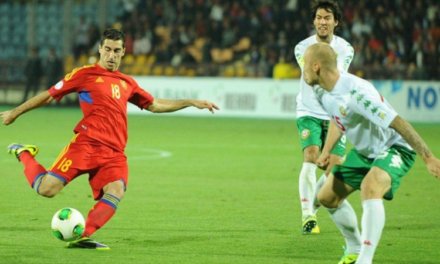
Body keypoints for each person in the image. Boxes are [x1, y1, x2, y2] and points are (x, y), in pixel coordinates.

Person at [0, 28, 219, 250]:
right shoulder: (84, 74)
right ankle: (24, 153)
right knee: (46, 189)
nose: (111, 55)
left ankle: (82, 236)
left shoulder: (127, 83)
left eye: (116, 50)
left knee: (116, 190)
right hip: (86, 145)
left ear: (123, 52)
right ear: (100, 49)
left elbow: (155, 104)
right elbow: (48, 95)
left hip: (114, 153)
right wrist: (14, 112)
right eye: (107, 49)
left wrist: (190, 102)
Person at [303, 42, 440, 264]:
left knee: (370, 187)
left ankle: (364, 260)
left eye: (305, 65)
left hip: (395, 148)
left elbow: (398, 122)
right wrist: (326, 151)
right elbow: (339, 119)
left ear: (316, 66)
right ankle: (355, 248)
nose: (303, 71)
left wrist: (428, 157)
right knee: (326, 197)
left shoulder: (357, 93)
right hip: (365, 152)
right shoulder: (320, 91)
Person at [293, 0, 355, 235]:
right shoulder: (301, 48)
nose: (322, 22)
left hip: (334, 114)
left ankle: (314, 203)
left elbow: (335, 78)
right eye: (319, 17)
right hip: (308, 110)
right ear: (314, 21)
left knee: (334, 168)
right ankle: (307, 214)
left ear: (335, 22)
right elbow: (313, 76)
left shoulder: (346, 49)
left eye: (327, 17)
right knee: (311, 156)